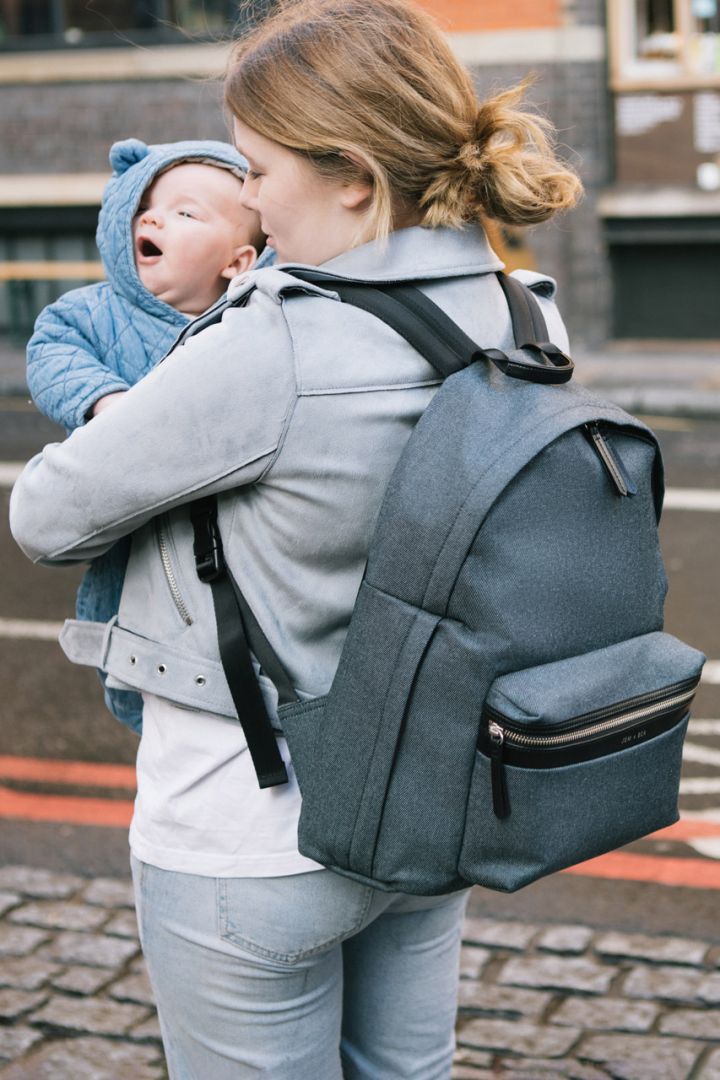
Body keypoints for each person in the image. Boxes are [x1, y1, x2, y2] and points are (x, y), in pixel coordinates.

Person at [10, 0, 581, 1074]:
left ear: (354, 176)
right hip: (430, 797)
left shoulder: (268, 339)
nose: (252, 203)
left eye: (260, 169)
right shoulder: (524, 311)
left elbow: (44, 512)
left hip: (252, 834)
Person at [26, 138, 266, 733]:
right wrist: (107, 402)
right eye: (147, 207)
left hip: (234, 539)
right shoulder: (94, 312)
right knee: (128, 624)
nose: (154, 218)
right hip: (133, 538)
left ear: (236, 262)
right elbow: (51, 353)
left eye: (186, 213)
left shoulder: (255, 322)